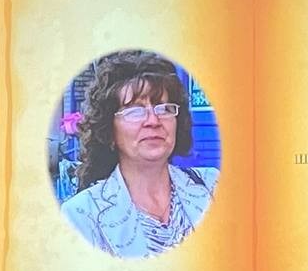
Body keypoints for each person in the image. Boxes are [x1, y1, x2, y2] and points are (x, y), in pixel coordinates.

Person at [61, 50, 218, 257]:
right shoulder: (81, 215)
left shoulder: (211, 184)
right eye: (135, 111)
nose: (153, 121)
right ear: (109, 130)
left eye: (163, 109)